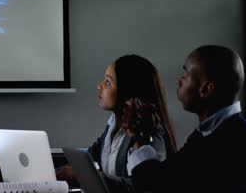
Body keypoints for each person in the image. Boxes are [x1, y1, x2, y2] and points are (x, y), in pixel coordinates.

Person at [125, 45, 246, 193]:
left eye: (185, 75)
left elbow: (158, 182)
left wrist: (136, 135)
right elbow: (171, 172)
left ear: (205, 89)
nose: (179, 81)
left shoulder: (231, 142)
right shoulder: (211, 132)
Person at [57, 55, 177, 190]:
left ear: (127, 90)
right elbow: (90, 157)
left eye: (108, 82)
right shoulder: (114, 124)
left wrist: (81, 177)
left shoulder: (149, 132)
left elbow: (141, 186)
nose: (99, 86)